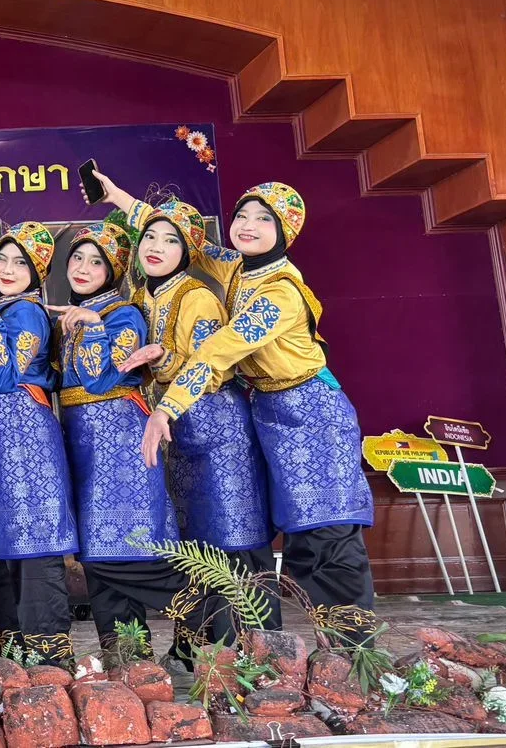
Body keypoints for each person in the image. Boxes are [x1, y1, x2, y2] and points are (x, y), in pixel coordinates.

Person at [101, 173, 377, 641]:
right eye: (243, 214)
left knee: (325, 537)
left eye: (263, 219)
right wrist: (120, 197)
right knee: (293, 535)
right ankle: (286, 658)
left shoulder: (280, 294)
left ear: (285, 231)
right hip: (269, 412)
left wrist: (166, 408)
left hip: (312, 412)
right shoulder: (238, 266)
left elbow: (218, 351)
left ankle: (354, 655)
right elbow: (183, 237)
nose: (248, 224)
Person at [110, 197, 279, 635]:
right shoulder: (148, 293)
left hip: (218, 428)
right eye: (150, 236)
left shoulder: (198, 296)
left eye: (171, 240)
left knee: (234, 541)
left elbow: (206, 364)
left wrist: (163, 356)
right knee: (198, 549)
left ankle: (259, 654)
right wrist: (115, 194)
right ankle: (206, 651)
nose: (156, 246)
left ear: (187, 252)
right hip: (181, 430)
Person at [53, 217, 188, 657]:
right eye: (78, 257)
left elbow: (96, 379)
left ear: (113, 271)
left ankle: (212, 622)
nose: (84, 267)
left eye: (97, 262)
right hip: (84, 442)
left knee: (125, 550)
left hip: (120, 442)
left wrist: (93, 324)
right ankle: (128, 660)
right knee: (97, 553)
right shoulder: (73, 315)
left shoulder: (123, 313)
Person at [0, 222, 79, 668]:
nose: (8, 268)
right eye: (2, 259)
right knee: (3, 543)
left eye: (20, 262)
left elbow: (6, 373)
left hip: (25, 431)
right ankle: (16, 656)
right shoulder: (6, 308)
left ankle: (48, 660)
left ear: (37, 270)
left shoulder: (26, 312)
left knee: (34, 540)